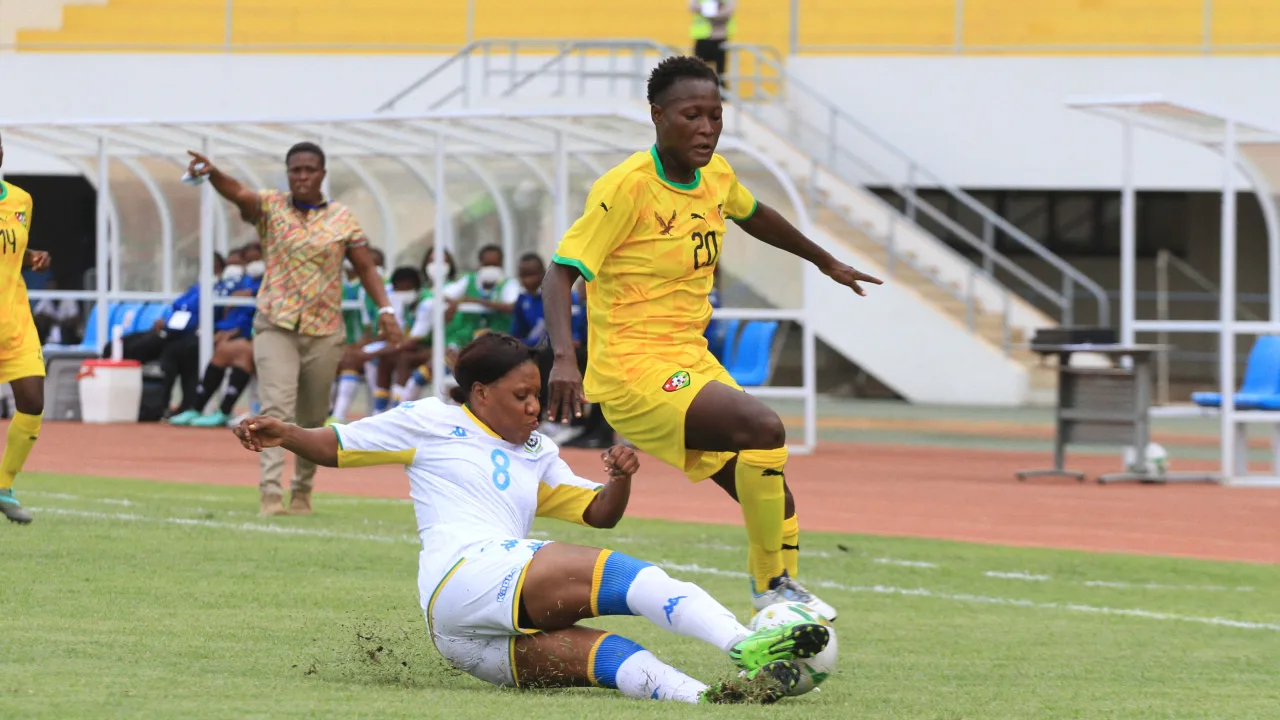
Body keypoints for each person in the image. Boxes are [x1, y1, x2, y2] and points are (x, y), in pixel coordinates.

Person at [231, 332, 829, 703]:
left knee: (613, 659)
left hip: (460, 640)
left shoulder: (539, 453)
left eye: (539, 393)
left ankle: (711, 699)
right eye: (522, 395)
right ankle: (747, 643)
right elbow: (335, 445)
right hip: (468, 572)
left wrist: (618, 479)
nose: (535, 405)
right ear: (480, 392)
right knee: (630, 577)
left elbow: (596, 514)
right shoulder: (432, 421)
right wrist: (286, 433)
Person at [542, 57, 883, 621]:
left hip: (690, 361)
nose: (706, 128)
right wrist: (564, 359)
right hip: (633, 371)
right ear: (658, 116)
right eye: (692, 115)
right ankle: (771, 586)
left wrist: (826, 261)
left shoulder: (716, 175)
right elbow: (560, 273)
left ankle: (782, 604)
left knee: (768, 489)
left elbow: (754, 214)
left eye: (715, 116)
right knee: (764, 427)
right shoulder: (627, 187)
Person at [185, 141, 404, 517]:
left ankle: (302, 491)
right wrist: (213, 174)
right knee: (275, 406)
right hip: (275, 323)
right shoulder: (270, 206)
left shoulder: (343, 218)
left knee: (313, 416)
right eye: (295, 170)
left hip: (324, 330)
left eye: (309, 170)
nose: (302, 176)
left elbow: (366, 267)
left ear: (322, 174)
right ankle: (270, 495)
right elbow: (239, 194)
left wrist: (385, 308)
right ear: (288, 174)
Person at [0, 132, 50, 525]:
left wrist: (32, 254)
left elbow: (12, 246)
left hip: (14, 321)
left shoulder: (21, 200)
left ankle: (3, 486)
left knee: (32, 401)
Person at [169, 247, 266, 428]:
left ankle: (224, 410)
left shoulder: (265, 284)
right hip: (241, 335)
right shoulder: (242, 284)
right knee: (221, 351)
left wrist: (237, 333)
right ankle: (196, 408)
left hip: (262, 338)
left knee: (240, 352)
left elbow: (252, 318)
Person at [442, 244, 520, 346]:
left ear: (501, 264)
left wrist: (477, 301)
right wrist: (454, 303)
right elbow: (443, 295)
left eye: (495, 265)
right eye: (487, 265)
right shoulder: (468, 280)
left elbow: (511, 306)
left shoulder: (509, 284)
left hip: (498, 342)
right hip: (467, 341)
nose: (491, 269)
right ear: (480, 264)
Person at [689, 0, 736, 83]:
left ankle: (720, 94)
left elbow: (729, 9)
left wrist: (711, 13)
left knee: (720, 73)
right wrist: (709, 11)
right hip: (702, 37)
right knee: (698, 71)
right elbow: (693, 6)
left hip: (720, 36)